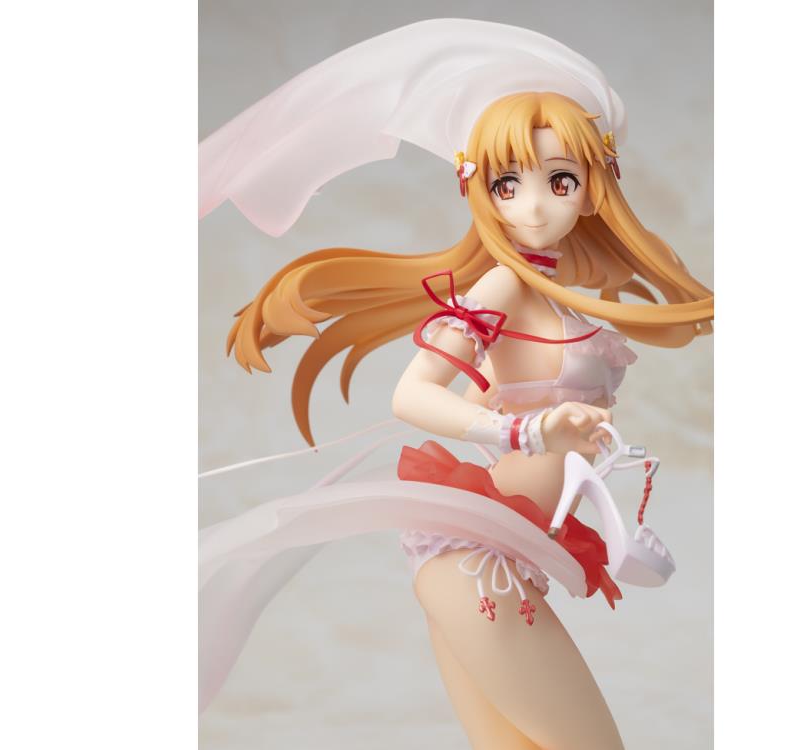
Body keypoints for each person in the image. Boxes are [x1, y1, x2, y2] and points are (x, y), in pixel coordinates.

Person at [199, 19, 712, 749]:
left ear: (593, 187)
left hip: (509, 557)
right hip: (479, 564)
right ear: (481, 191)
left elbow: (487, 389)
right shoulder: (502, 286)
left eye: (559, 181)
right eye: (509, 184)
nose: (534, 205)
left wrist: (524, 416)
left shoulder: (560, 293)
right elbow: (412, 394)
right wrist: (530, 429)